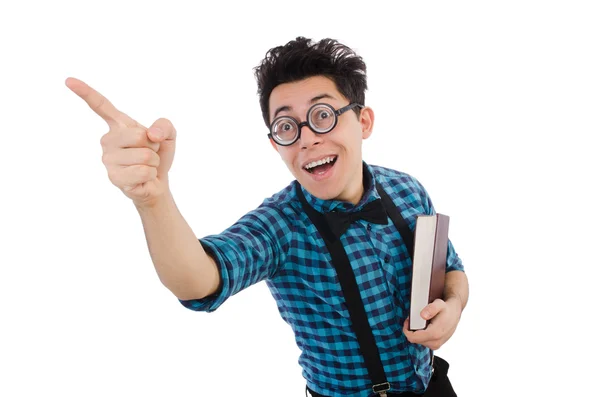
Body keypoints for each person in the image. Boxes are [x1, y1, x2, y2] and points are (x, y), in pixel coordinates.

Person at [66, 36, 468, 397]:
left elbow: (451, 269)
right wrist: (153, 200)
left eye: (323, 115)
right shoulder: (281, 225)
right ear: (276, 144)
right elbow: (200, 280)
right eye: (286, 126)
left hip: (434, 384)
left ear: (363, 122)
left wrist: (453, 306)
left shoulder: (407, 190)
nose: (307, 137)